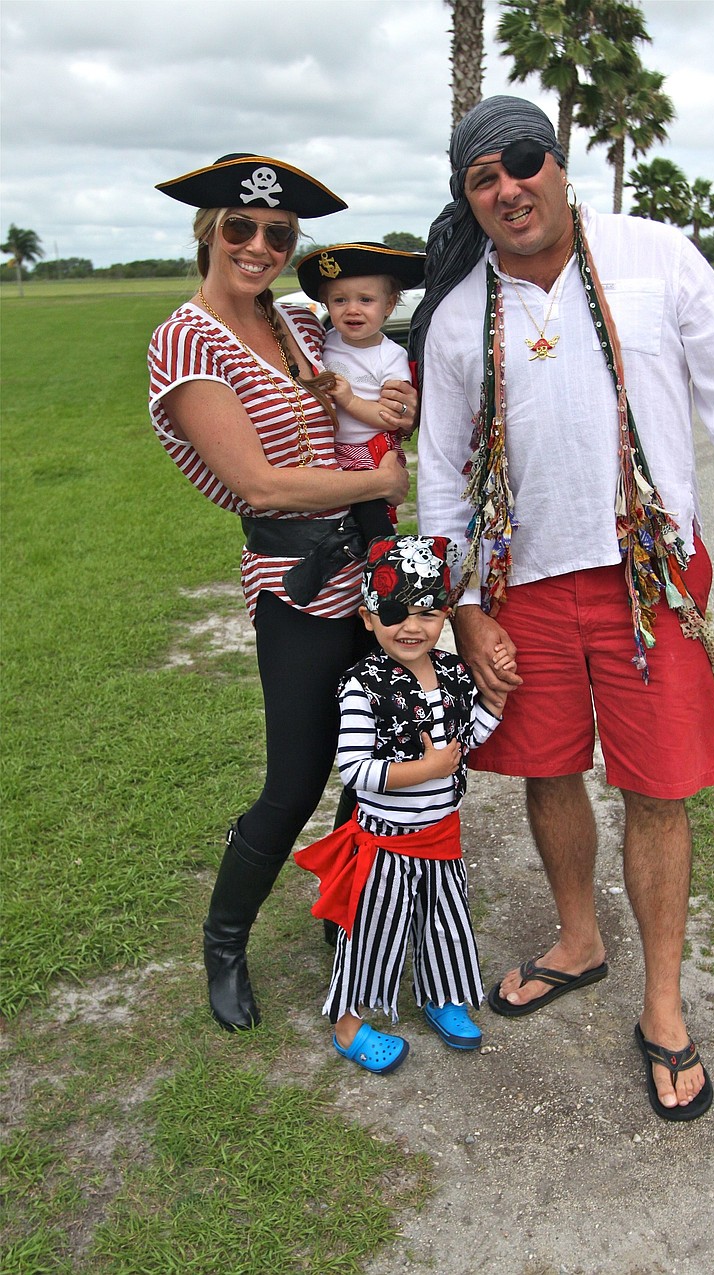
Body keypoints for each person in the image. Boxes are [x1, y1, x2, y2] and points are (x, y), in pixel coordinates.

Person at [411, 97, 714, 1121]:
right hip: (517, 587)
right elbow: (441, 479)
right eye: (481, 176)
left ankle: (661, 1005)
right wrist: (464, 610)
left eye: (522, 161)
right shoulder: (456, 316)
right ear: (469, 197)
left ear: (559, 164)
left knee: (657, 786)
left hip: (647, 573)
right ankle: (579, 939)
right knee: (543, 769)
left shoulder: (653, 256)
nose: (507, 186)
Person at [148, 152, 414, 1032]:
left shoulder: (301, 322)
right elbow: (259, 485)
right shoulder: (184, 339)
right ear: (209, 233)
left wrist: (395, 403)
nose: (259, 245)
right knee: (295, 779)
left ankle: (344, 915)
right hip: (296, 580)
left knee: (374, 760)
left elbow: (364, 375)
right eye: (240, 227)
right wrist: (383, 482)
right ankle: (224, 941)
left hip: (369, 569)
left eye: (278, 233)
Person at [294, 535, 512, 1074]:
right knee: (372, 931)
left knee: (444, 925)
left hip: (443, 840)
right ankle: (348, 1027)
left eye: (426, 612)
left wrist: (495, 701)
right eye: (394, 613)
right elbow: (356, 771)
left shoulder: (455, 675)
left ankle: (441, 997)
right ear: (368, 618)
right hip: (387, 845)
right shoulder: (361, 687)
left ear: (444, 616)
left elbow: (469, 739)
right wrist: (426, 770)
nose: (411, 626)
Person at [295, 242, 425, 542]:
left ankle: (383, 557)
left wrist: (349, 400)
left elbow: (391, 417)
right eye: (340, 300)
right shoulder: (323, 342)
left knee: (369, 510)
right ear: (326, 305)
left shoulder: (389, 355)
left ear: (389, 305)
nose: (352, 309)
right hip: (329, 450)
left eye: (366, 300)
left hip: (370, 450)